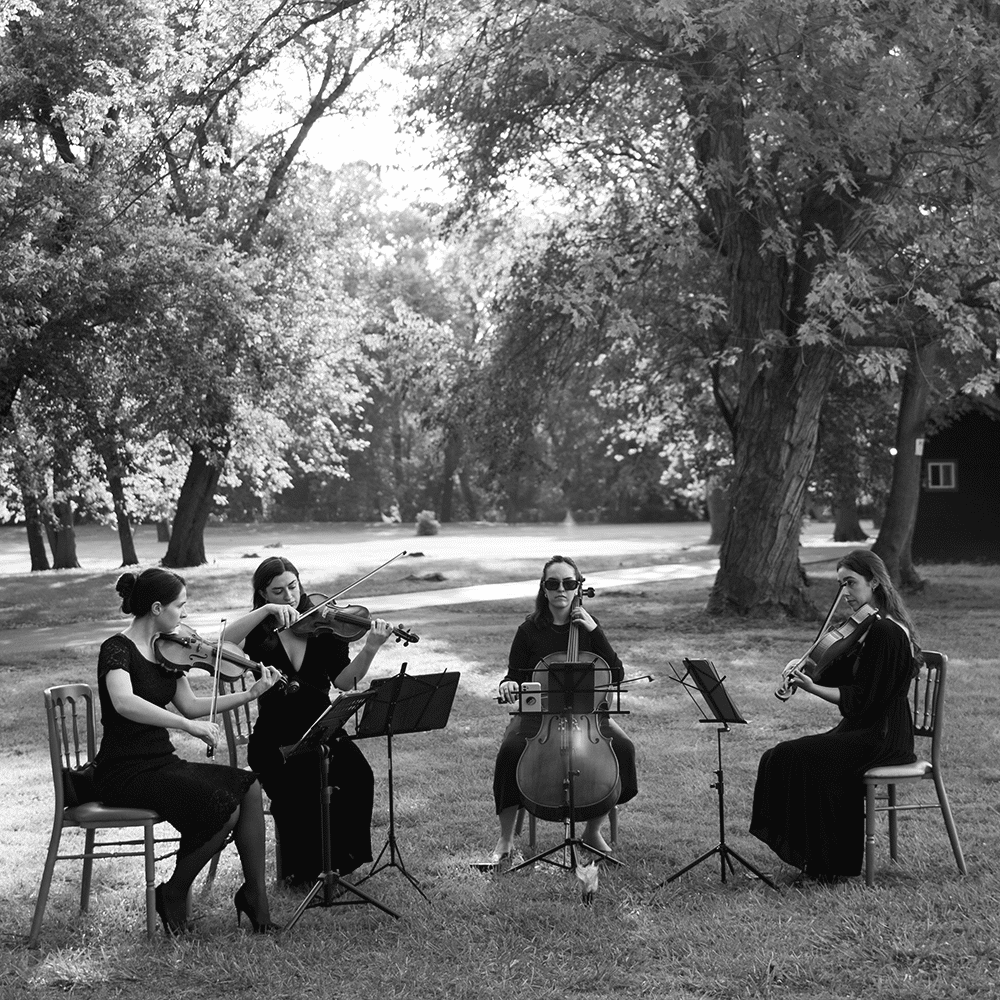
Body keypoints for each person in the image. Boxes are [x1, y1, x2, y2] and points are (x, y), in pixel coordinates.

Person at [93, 568, 283, 934]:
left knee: (249, 786)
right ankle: (175, 892)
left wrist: (250, 693)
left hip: (161, 763)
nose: (184, 615)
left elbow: (193, 705)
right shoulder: (116, 649)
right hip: (123, 771)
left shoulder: (169, 651)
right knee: (222, 806)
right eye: (180, 606)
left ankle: (255, 898)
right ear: (156, 607)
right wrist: (185, 727)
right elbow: (123, 702)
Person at [749, 549, 920, 883]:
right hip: (863, 729)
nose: (845, 593)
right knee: (778, 756)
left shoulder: (887, 632)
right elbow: (838, 673)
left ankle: (829, 864)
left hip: (883, 736)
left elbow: (861, 700)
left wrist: (811, 687)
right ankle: (817, 860)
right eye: (841, 584)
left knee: (794, 756)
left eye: (851, 583)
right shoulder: (866, 629)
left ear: (874, 582)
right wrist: (803, 667)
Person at [225, 556, 392, 886]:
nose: (288, 596)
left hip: (322, 727)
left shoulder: (323, 627)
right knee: (299, 786)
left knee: (360, 776)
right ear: (262, 594)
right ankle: (299, 870)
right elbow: (223, 644)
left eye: (293, 586)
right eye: (277, 591)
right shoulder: (258, 632)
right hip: (274, 736)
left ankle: (341, 862)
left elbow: (344, 682)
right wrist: (265, 613)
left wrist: (371, 647)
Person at [491, 555, 639, 862]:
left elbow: (617, 673)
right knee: (509, 751)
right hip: (538, 719)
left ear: (577, 588)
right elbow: (513, 676)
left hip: (589, 720)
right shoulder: (529, 631)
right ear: (544, 589)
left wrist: (595, 631)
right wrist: (508, 685)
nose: (561, 589)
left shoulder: (589, 627)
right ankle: (505, 839)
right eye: (553, 583)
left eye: (569, 583)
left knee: (623, 747)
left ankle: (591, 830)